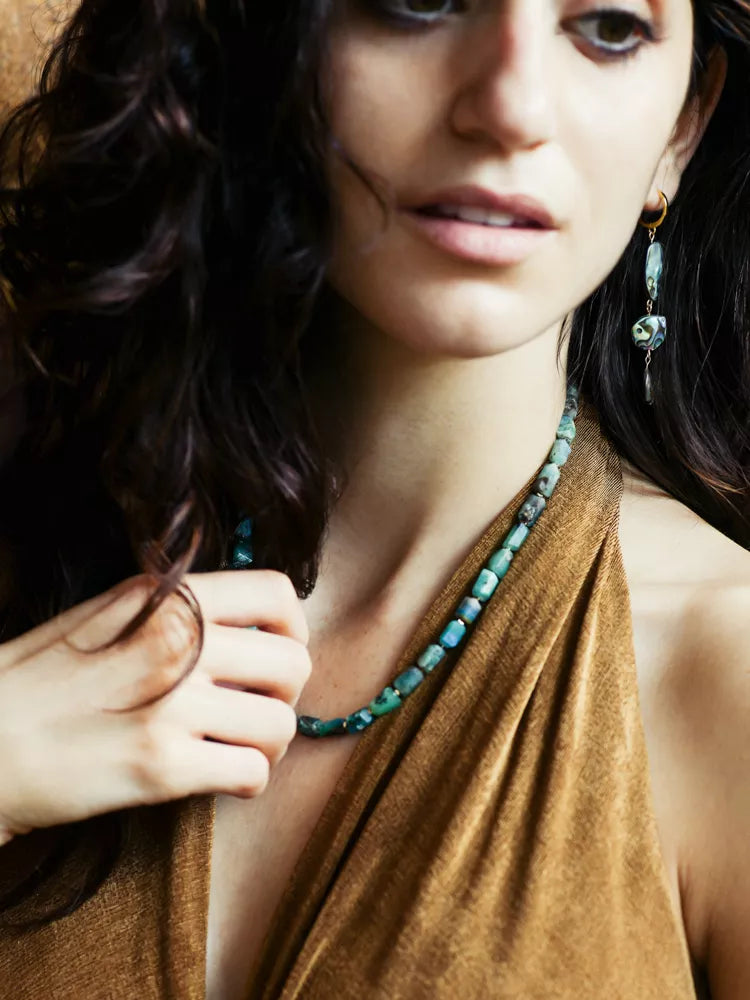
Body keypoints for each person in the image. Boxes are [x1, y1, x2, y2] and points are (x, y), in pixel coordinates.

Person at [0, 1, 749, 997]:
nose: (510, 107)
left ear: (683, 129)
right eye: (420, 1)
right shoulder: (35, 540)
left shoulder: (726, 672)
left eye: (609, 26)